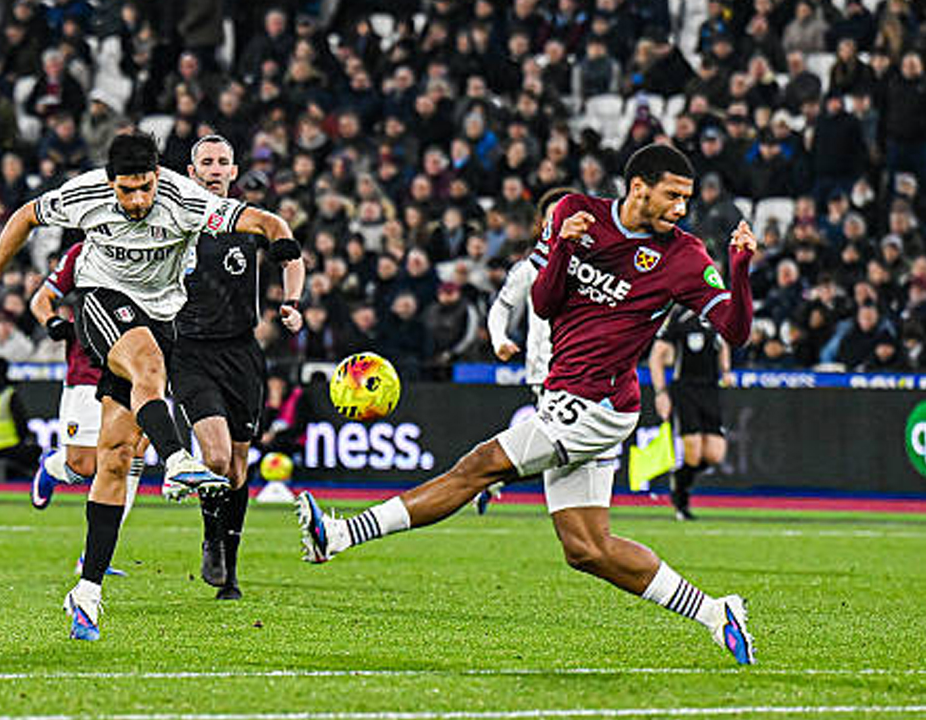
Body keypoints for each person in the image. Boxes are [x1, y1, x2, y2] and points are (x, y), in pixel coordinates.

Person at [295, 144, 760, 665]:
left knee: (478, 467)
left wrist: (739, 268)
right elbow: (544, 302)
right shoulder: (573, 214)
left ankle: (337, 535)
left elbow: (736, 330)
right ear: (638, 188)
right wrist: (563, 248)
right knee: (587, 549)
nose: (681, 208)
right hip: (573, 394)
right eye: (673, 196)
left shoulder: (684, 257)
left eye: (686, 199)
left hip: (596, 403)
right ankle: (716, 613)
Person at [0, 131, 304, 642]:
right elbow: (25, 217)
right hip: (101, 303)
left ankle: (87, 590)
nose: (138, 201)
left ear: (159, 178)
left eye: (145, 188)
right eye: (127, 191)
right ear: (110, 184)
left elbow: (263, 220)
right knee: (147, 369)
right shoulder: (85, 194)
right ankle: (177, 459)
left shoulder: (185, 200)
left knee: (115, 456)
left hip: (162, 319)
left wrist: (283, 246)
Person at [173, 135, 305, 601]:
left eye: (222, 162)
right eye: (205, 161)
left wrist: (292, 302)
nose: (213, 168)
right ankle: (211, 537)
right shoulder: (175, 222)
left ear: (233, 171)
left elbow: (288, 246)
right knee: (212, 456)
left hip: (241, 354)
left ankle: (229, 568)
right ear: (191, 173)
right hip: (189, 353)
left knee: (236, 467)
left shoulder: (249, 223)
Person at [28, 241, 146, 577]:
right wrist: (51, 322)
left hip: (141, 369)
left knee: (130, 456)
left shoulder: (160, 243)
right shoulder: (83, 252)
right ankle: (52, 468)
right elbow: (41, 299)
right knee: (83, 465)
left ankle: (95, 555)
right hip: (88, 371)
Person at [477, 186, 575, 513]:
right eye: (554, 218)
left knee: (566, 450)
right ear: (543, 225)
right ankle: (490, 473)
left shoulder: (599, 268)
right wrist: (499, 339)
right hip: (547, 372)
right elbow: (501, 307)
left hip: (587, 372)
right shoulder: (531, 268)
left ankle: (495, 475)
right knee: (565, 447)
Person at [648, 305, 733, 521]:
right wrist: (661, 393)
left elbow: (723, 343)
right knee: (693, 452)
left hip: (710, 389)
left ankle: (680, 477)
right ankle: (680, 498)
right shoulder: (679, 315)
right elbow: (656, 356)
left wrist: (725, 369)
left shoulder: (718, 311)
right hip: (685, 388)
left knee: (715, 454)